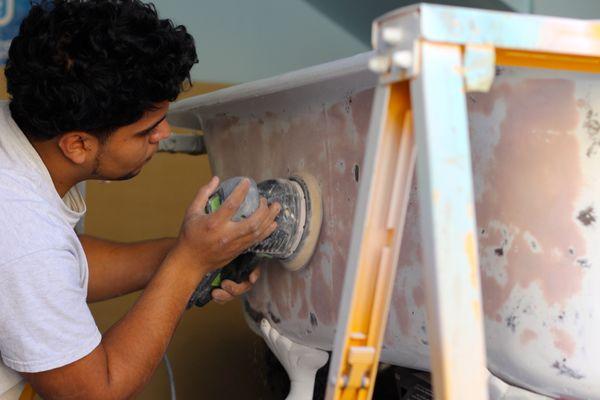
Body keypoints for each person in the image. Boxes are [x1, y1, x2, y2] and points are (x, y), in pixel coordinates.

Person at [0, 1, 280, 399]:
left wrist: (196, 253)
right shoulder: (21, 228)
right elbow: (97, 391)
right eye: (145, 130)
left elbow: (62, 263)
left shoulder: (23, 145)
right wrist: (187, 266)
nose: (163, 134)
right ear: (77, 144)